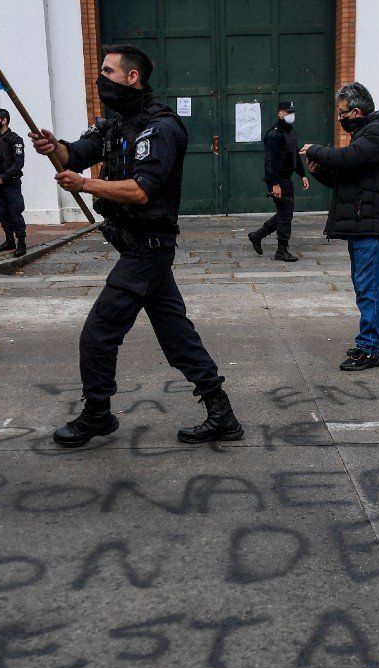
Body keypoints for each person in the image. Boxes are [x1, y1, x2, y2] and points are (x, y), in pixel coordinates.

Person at [30, 42, 243, 448]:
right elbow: (73, 154)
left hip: (150, 245)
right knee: (176, 334)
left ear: (133, 77)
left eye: (108, 72)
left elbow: (143, 190)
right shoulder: (112, 126)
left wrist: (86, 183)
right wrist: (52, 147)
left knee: (98, 333)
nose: (101, 79)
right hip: (133, 246)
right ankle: (222, 414)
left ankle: (97, 414)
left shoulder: (161, 128)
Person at [301, 82, 379, 372]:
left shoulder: (378, 132)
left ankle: (369, 348)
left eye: (343, 112)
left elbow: (347, 159)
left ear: (357, 111)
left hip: (372, 224)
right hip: (364, 222)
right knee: (370, 287)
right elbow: (347, 179)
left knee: (367, 288)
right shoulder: (368, 133)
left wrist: (315, 150)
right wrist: (320, 170)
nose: (340, 118)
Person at [249, 100, 309, 262]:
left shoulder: (290, 131)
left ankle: (257, 235)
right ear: (280, 113)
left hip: (286, 178)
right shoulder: (274, 134)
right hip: (278, 179)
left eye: (292, 112)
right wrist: (275, 184)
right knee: (286, 214)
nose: (291, 115)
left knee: (284, 213)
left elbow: (294, 154)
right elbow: (271, 162)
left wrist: (302, 174)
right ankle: (281, 250)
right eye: (288, 112)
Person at [0, 109, 27, 257]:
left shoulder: (15, 139)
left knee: (15, 211)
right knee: (2, 211)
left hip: (11, 182)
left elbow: (19, 163)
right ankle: (9, 240)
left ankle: (21, 242)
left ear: (4, 120)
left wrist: (5, 176)